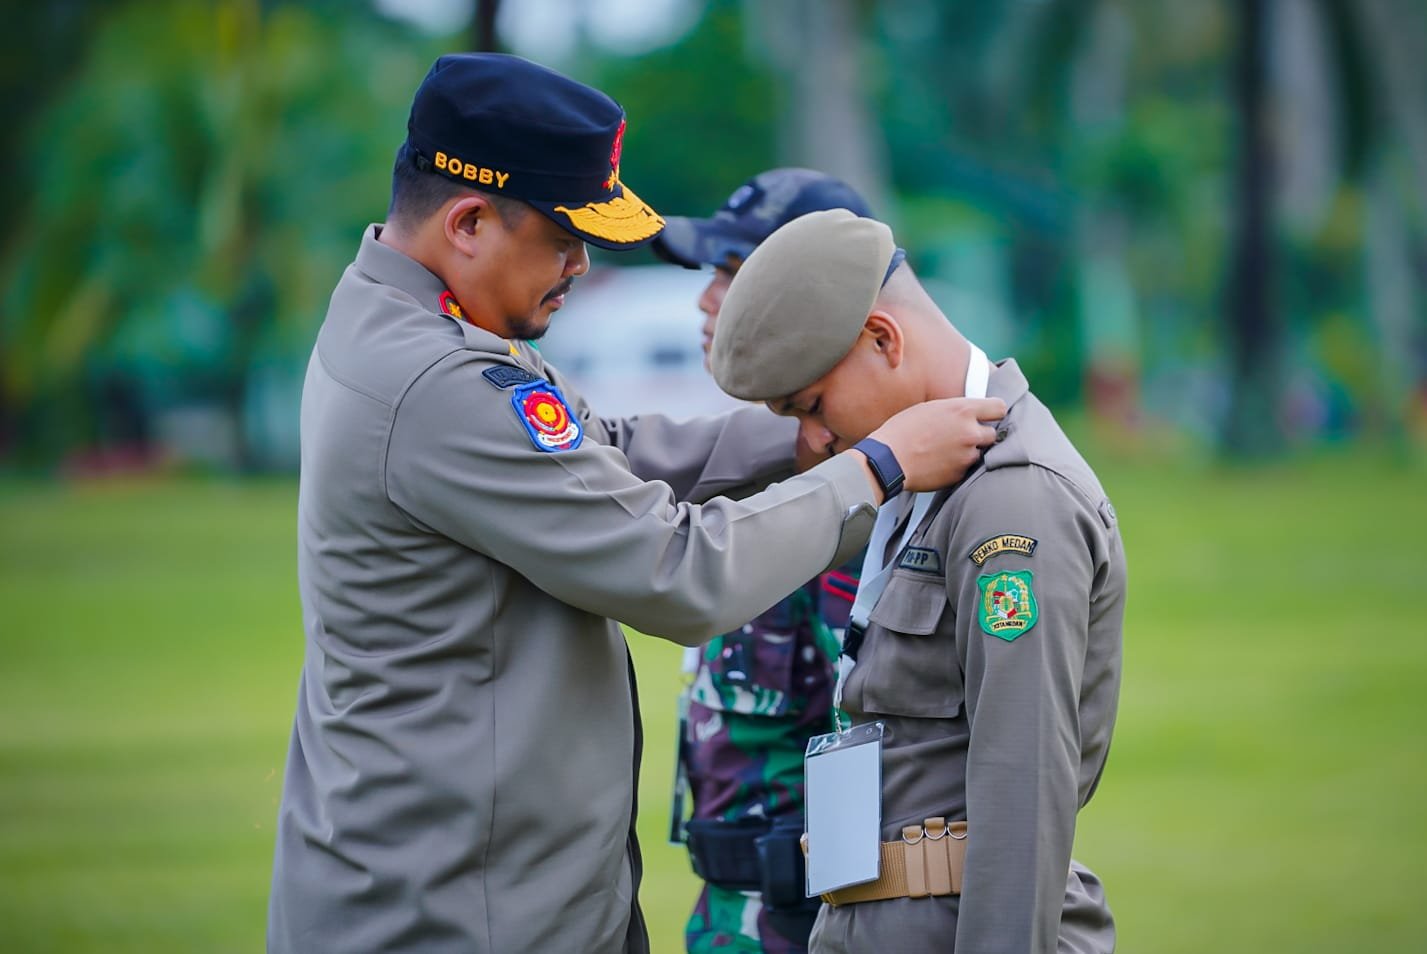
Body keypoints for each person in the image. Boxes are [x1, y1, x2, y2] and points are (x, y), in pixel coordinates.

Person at [266, 54, 1007, 954]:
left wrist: (801, 432)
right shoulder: (436, 380)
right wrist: (879, 465)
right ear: (467, 220)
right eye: (564, 234)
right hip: (458, 913)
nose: (582, 263)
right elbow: (675, 572)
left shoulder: (410, 323)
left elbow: (600, 452)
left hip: (475, 885)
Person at [708, 209, 1126, 954]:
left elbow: (1021, 789)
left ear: (881, 338)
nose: (810, 442)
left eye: (810, 406)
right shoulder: (929, 479)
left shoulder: (1012, 497)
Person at [652, 169, 876, 954]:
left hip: (807, 923)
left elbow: (880, 742)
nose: (708, 301)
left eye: (733, 273)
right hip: (731, 915)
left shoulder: (855, 497)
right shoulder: (786, 471)